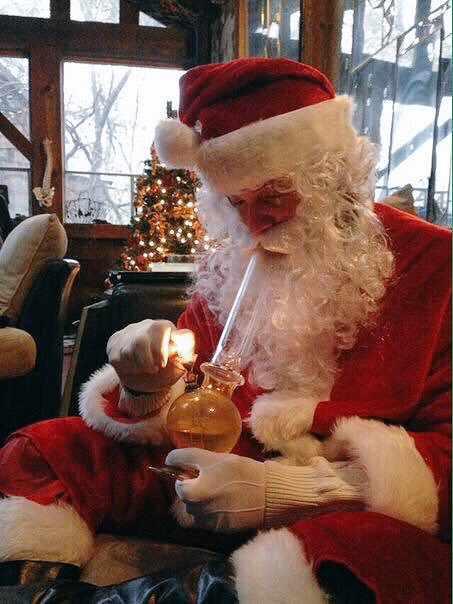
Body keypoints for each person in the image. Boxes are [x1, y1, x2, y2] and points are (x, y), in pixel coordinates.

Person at [0, 58, 450, 603]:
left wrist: (284, 492)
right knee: (51, 449)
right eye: (237, 202)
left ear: (330, 179)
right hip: (214, 472)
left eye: (274, 197)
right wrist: (145, 384)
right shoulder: (237, 259)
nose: (253, 225)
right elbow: (188, 395)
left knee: (347, 558)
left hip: (339, 505)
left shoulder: (436, 265)